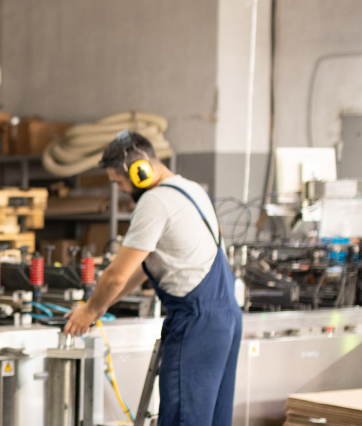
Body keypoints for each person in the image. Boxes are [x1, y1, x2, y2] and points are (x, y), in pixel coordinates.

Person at [62, 130, 242, 426]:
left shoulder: (155, 202)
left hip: (196, 323)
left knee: (184, 419)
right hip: (226, 317)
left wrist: (89, 311)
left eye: (119, 182)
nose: (120, 189)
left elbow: (117, 274)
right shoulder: (191, 189)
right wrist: (101, 306)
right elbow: (140, 269)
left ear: (139, 170)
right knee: (212, 420)